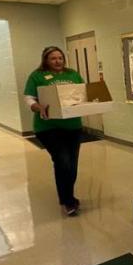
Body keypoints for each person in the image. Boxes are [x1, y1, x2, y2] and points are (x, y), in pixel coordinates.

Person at [23, 46, 84, 217]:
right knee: (62, 161)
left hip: (73, 127)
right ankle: (67, 201)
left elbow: (83, 92)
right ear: (46, 60)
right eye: (53, 58)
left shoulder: (72, 74)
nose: (58, 61)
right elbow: (28, 98)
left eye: (60, 58)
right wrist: (37, 107)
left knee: (72, 165)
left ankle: (68, 197)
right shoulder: (37, 76)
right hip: (48, 127)